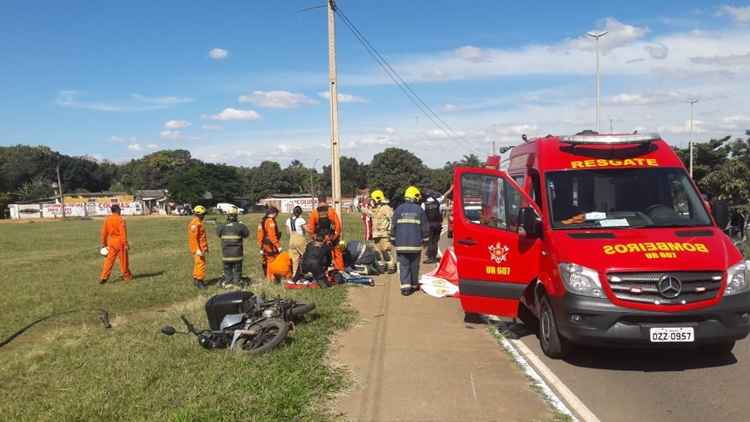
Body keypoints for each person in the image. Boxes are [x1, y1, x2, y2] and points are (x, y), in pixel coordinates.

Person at [391, 186, 429, 296]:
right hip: (415, 245)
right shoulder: (419, 210)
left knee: (403, 266)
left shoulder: (398, 209)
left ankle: (405, 288)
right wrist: (425, 241)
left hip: (401, 245)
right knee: (414, 265)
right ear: (414, 196)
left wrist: (393, 240)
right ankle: (413, 285)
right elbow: (425, 228)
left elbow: (393, 227)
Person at [307, 196, 344, 271]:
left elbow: (311, 228)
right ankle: (340, 270)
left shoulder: (314, 212)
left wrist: (314, 238)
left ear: (318, 201)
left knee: (320, 254)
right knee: (337, 253)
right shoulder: (331, 211)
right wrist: (334, 237)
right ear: (326, 200)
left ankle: (322, 269)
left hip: (320, 238)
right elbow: (338, 226)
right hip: (332, 237)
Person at [216, 206, 250, 288]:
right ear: (236, 216)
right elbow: (246, 234)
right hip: (237, 254)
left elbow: (218, 234)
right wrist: (242, 225)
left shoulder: (222, 226)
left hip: (226, 254)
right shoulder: (240, 226)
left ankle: (228, 282)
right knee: (237, 269)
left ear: (227, 216)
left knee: (227, 269)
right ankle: (237, 282)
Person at [99, 204, 132, 284]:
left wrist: (103, 243)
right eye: (120, 209)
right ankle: (126, 276)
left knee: (109, 261)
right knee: (123, 261)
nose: (120, 211)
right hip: (120, 242)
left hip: (111, 242)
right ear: (117, 210)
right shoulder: (120, 219)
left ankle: (104, 276)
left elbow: (104, 232)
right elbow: (123, 233)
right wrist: (126, 243)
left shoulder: (107, 219)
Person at [368, 189, 396, 273]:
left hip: (384, 234)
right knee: (377, 253)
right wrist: (361, 208)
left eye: (373, 199)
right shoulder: (375, 209)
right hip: (376, 234)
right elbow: (370, 214)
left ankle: (391, 267)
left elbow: (392, 219)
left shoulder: (386, 208)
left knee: (386, 251)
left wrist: (390, 230)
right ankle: (381, 267)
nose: (372, 201)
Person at [257, 207, 282, 282]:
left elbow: (259, 235)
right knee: (273, 261)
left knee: (268, 261)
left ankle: (269, 277)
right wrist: (278, 246)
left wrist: (261, 246)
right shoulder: (270, 221)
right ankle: (271, 278)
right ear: (274, 213)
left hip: (265, 244)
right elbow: (272, 236)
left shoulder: (262, 221)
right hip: (271, 245)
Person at [188, 205, 209, 289]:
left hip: (201, 248)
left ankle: (196, 279)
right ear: (198, 214)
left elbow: (201, 237)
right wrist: (197, 249)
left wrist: (205, 248)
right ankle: (200, 281)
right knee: (200, 264)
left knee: (198, 264)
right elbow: (193, 238)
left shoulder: (198, 222)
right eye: (203, 214)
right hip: (198, 249)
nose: (204, 216)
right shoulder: (195, 224)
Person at [285, 206, 307, 276]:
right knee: (306, 256)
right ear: (300, 212)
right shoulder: (301, 220)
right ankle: (308, 272)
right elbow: (307, 229)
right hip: (299, 238)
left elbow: (288, 232)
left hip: (291, 239)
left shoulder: (288, 220)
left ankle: (295, 275)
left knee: (295, 259)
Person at [423, 194, 443, 264]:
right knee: (435, 241)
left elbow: (422, 215)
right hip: (438, 225)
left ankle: (430, 257)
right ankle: (434, 256)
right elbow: (440, 213)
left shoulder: (424, 204)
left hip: (429, 225)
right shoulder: (438, 202)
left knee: (430, 241)